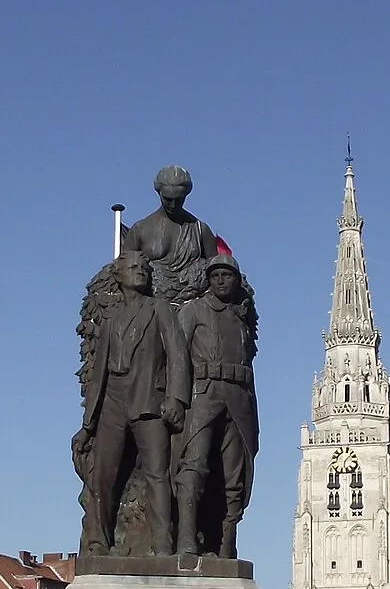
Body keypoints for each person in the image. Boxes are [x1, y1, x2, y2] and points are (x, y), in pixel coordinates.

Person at [76, 250, 188, 554]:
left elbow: (178, 355)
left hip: (148, 397)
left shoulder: (159, 309)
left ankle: (163, 543)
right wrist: (89, 424)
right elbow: (98, 374)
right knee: (102, 472)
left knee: (157, 472)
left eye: (143, 267)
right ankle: (98, 540)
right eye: (132, 267)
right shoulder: (111, 320)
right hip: (113, 398)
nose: (139, 271)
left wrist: (176, 398)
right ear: (120, 275)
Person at [175, 254, 258, 558]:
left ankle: (226, 544)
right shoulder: (194, 311)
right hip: (202, 394)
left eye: (228, 276)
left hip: (238, 399)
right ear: (207, 280)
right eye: (216, 276)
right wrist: (174, 398)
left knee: (234, 477)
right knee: (193, 465)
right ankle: (186, 538)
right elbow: (175, 356)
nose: (222, 281)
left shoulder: (241, 318)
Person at [121, 165, 221, 305]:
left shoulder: (200, 230)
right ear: (159, 193)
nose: (173, 205)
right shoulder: (140, 229)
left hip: (193, 306)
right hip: (151, 305)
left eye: (179, 199)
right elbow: (124, 270)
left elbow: (216, 273)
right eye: (168, 199)